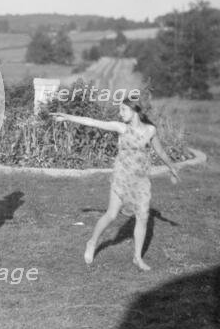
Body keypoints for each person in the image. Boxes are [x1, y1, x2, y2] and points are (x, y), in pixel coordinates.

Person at [51, 98, 180, 271]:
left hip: (141, 180)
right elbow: (93, 122)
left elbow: (161, 151)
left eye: (123, 110)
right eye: (120, 110)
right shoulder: (121, 128)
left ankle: (137, 257)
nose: (120, 114)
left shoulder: (150, 130)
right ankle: (92, 242)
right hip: (121, 178)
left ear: (135, 111)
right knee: (111, 214)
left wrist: (172, 167)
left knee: (143, 218)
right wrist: (67, 117)